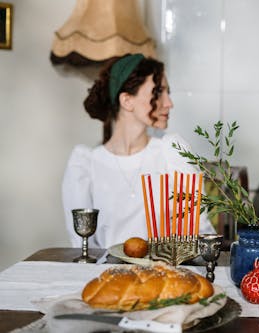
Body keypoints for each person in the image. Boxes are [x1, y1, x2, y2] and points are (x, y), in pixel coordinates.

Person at [62, 54, 215, 249]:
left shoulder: (171, 153)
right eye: (158, 92)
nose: (169, 103)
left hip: (162, 273)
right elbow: (81, 246)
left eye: (168, 92)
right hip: (107, 276)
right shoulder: (86, 164)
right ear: (127, 100)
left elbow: (199, 231)